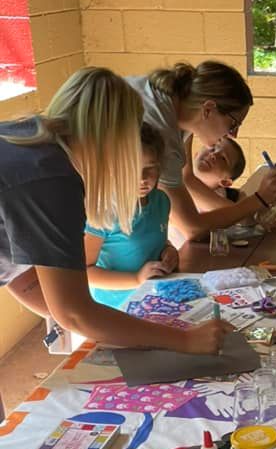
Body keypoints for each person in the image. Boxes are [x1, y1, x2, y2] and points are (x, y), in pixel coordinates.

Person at [0, 67, 232, 354]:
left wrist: (115, 326)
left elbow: (19, 270)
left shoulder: (28, 136)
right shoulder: (51, 180)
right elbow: (74, 313)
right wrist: (184, 340)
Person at [127, 61, 276, 243]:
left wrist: (247, 212)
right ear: (208, 109)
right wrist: (258, 200)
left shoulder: (179, 111)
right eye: (233, 124)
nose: (234, 135)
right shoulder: (161, 129)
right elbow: (192, 228)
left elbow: (187, 178)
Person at [84, 124, 177, 310]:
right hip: (114, 308)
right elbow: (85, 272)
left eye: (150, 167)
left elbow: (156, 240)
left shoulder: (161, 201)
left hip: (154, 299)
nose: (142, 178)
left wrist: (169, 250)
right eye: (131, 168)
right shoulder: (105, 211)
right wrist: (136, 279)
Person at [185, 135, 246, 206]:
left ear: (225, 182)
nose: (213, 154)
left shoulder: (226, 205)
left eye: (223, 158)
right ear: (196, 154)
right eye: (213, 149)